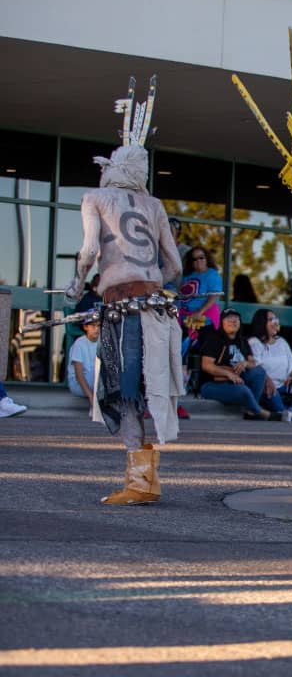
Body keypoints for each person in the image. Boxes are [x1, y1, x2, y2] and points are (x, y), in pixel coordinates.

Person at [62, 79, 185, 505]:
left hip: (122, 308)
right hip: (157, 310)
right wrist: (151, 287)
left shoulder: (95, 197)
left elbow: (88, 251)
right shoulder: (155, 205)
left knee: (123, 391)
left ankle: (139, 481)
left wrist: (78, 285)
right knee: (149, 390)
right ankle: (144, 479)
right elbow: (175, 266)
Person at [197, 308, 272, 421]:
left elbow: (253, 363)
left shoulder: (242, 341)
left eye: (236, 318)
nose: (233, 321)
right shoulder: (214, 339)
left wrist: (245, 363)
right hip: (211, 385)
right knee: (243, 390)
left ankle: (251, 411)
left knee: (259, 372)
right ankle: (263, 413)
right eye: (228, 318)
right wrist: (228, 374)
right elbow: (206, 365)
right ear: (221, 322)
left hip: (235, 382)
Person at [247, 308, 292, 422]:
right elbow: (256, 367)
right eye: (271, 319)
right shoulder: (254, 342)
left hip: (281, 387)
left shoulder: (282, 342)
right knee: (275, 399)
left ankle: (290, 414)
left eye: (276, 319)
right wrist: (268, 383)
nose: (275, 322)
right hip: (266, 388)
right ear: (261, 322)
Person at [177, 245, 222, 356]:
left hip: (205, 322)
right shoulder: (187, 276)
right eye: (194, 259)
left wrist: (199, 312)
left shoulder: (212, 274)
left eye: (201, 257)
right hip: (186, 321)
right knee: (181, 354)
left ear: (207, 258)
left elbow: (213, 296)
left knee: (206, 356)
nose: (198, 261)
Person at [67, 318, 101, 404]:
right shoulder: (79, 344)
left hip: (96, 384)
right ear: (85, 327)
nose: (96, 329)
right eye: (93, 326)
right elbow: (79, 375)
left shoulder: (103, 342)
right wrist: (91, 397)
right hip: (79, 385)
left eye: (99, 326)